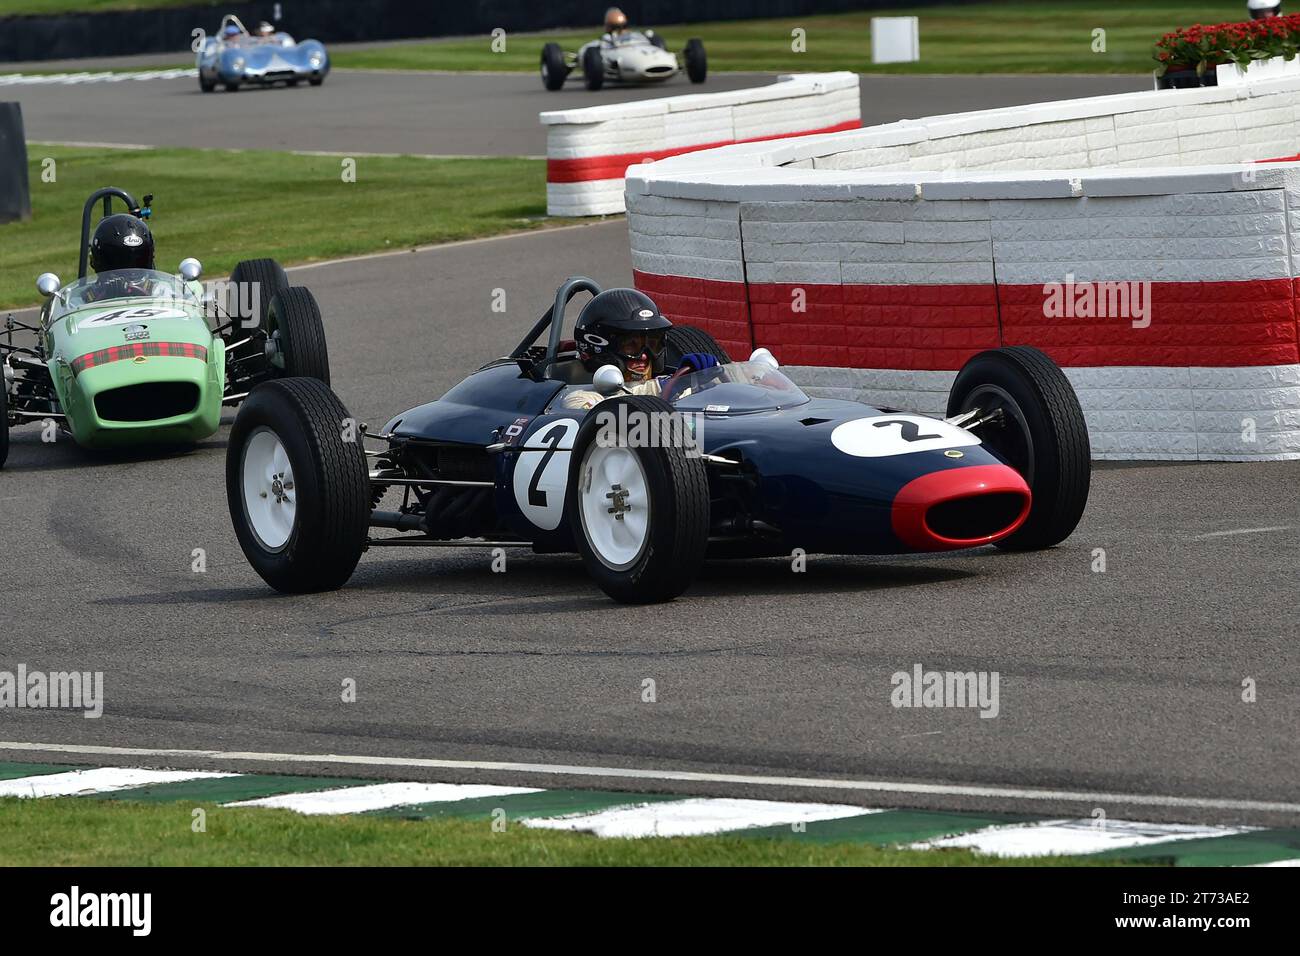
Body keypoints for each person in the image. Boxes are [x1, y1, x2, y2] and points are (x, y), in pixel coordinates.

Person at [560, 288, 717, 410]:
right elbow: (613, 415)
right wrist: (668, 385)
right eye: (630, 346)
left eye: (652, 345)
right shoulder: (578, 398)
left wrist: (709, 380)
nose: (644, 357)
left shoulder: (671, 385)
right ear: (601, 350)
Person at [85, 214, 156, 300]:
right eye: (120, 261)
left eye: (139, 261)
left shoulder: (163, 293)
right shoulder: (81, 301)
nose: (130, 273)